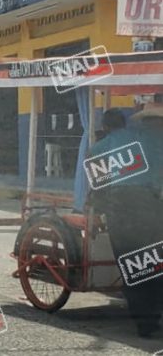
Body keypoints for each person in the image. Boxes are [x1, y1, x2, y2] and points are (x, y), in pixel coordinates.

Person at [88, 104, 163, 338]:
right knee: (153, 259)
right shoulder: (145, 141)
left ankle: (145, 323)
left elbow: (98, 186)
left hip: (122, 206)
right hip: (151, 205)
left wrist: (94, 209)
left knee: (131, 261)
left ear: (105, 126)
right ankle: (154, 313)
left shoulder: (100, 147)